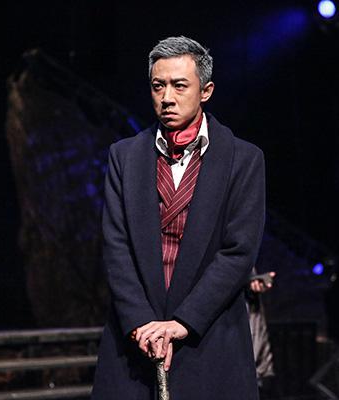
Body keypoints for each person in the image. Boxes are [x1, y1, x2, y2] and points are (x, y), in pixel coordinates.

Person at [91, 36, 266, 400]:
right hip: (136, 336)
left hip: (209, 333)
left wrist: (184, 322)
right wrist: (141, 321)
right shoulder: (125, 157)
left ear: (206, 91)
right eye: (158, 86)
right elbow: (116, 246)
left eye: (179, 85)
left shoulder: (243, 159)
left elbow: (238, 251)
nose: (167, 97)